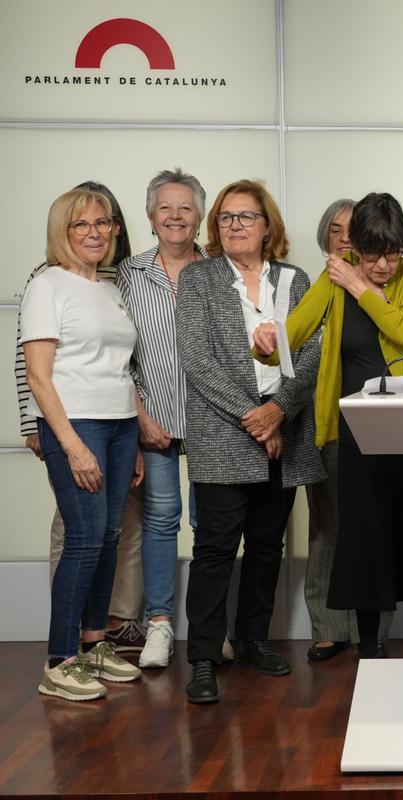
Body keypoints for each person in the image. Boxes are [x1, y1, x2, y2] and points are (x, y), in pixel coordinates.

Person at [254, 192, 403, 659]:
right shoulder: (337, 274)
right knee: (366, 539)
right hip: (357, 429)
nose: (385, 265)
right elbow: (291, 334)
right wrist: (267, 341)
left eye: (393, 253)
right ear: (356, 245)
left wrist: (358, 283)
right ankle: (370, 651)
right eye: (373, 255)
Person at [176, 180, 324, 703]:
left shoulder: (296, 279)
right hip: (224, 434)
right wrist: (254, 417)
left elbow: (314, 353)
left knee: (267, 546)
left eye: (246, 216)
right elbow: (197, 361)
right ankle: (203, 657)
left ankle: (254, 639)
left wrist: (280, 411)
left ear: (268, 226)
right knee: (215, 550)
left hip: (286, 431)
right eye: (225, 218)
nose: (235, 225)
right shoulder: (198, 280)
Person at [14, 181, 148, 655]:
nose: (95, 232)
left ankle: (95, 644)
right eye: (82, 223)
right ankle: (61, 657)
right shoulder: (46, 285)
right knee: (85, 539)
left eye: (103, 222)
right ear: (62, 230)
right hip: (79, 426)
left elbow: (122, 368)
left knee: (109, 537)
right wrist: (70, 444)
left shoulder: (110, 288)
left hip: (119, 425)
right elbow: (37, 374)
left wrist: (132, 444)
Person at [288, 199, 395, 662]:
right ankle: (329, 626)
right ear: (326, 238)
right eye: (338, 231)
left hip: (384, 422)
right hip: (327, 421)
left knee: (378, 526)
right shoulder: (322, 286)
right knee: (328, 525)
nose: (347, 239)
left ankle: (373, 629)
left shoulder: (386, 279)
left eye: (357, 232)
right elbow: (293, 345)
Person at [115, 168, 207, 668]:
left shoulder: (217, 269)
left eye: (185, 207)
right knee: (160, 521)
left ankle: (211, 628)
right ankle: (159, 626)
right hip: (154, 419)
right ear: (151, 217)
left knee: (211, 523)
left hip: (215, 422)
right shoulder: (129, 274)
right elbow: (116, 355)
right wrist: (139, 415)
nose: (175, 216)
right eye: (165, 208)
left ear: (199, 217)